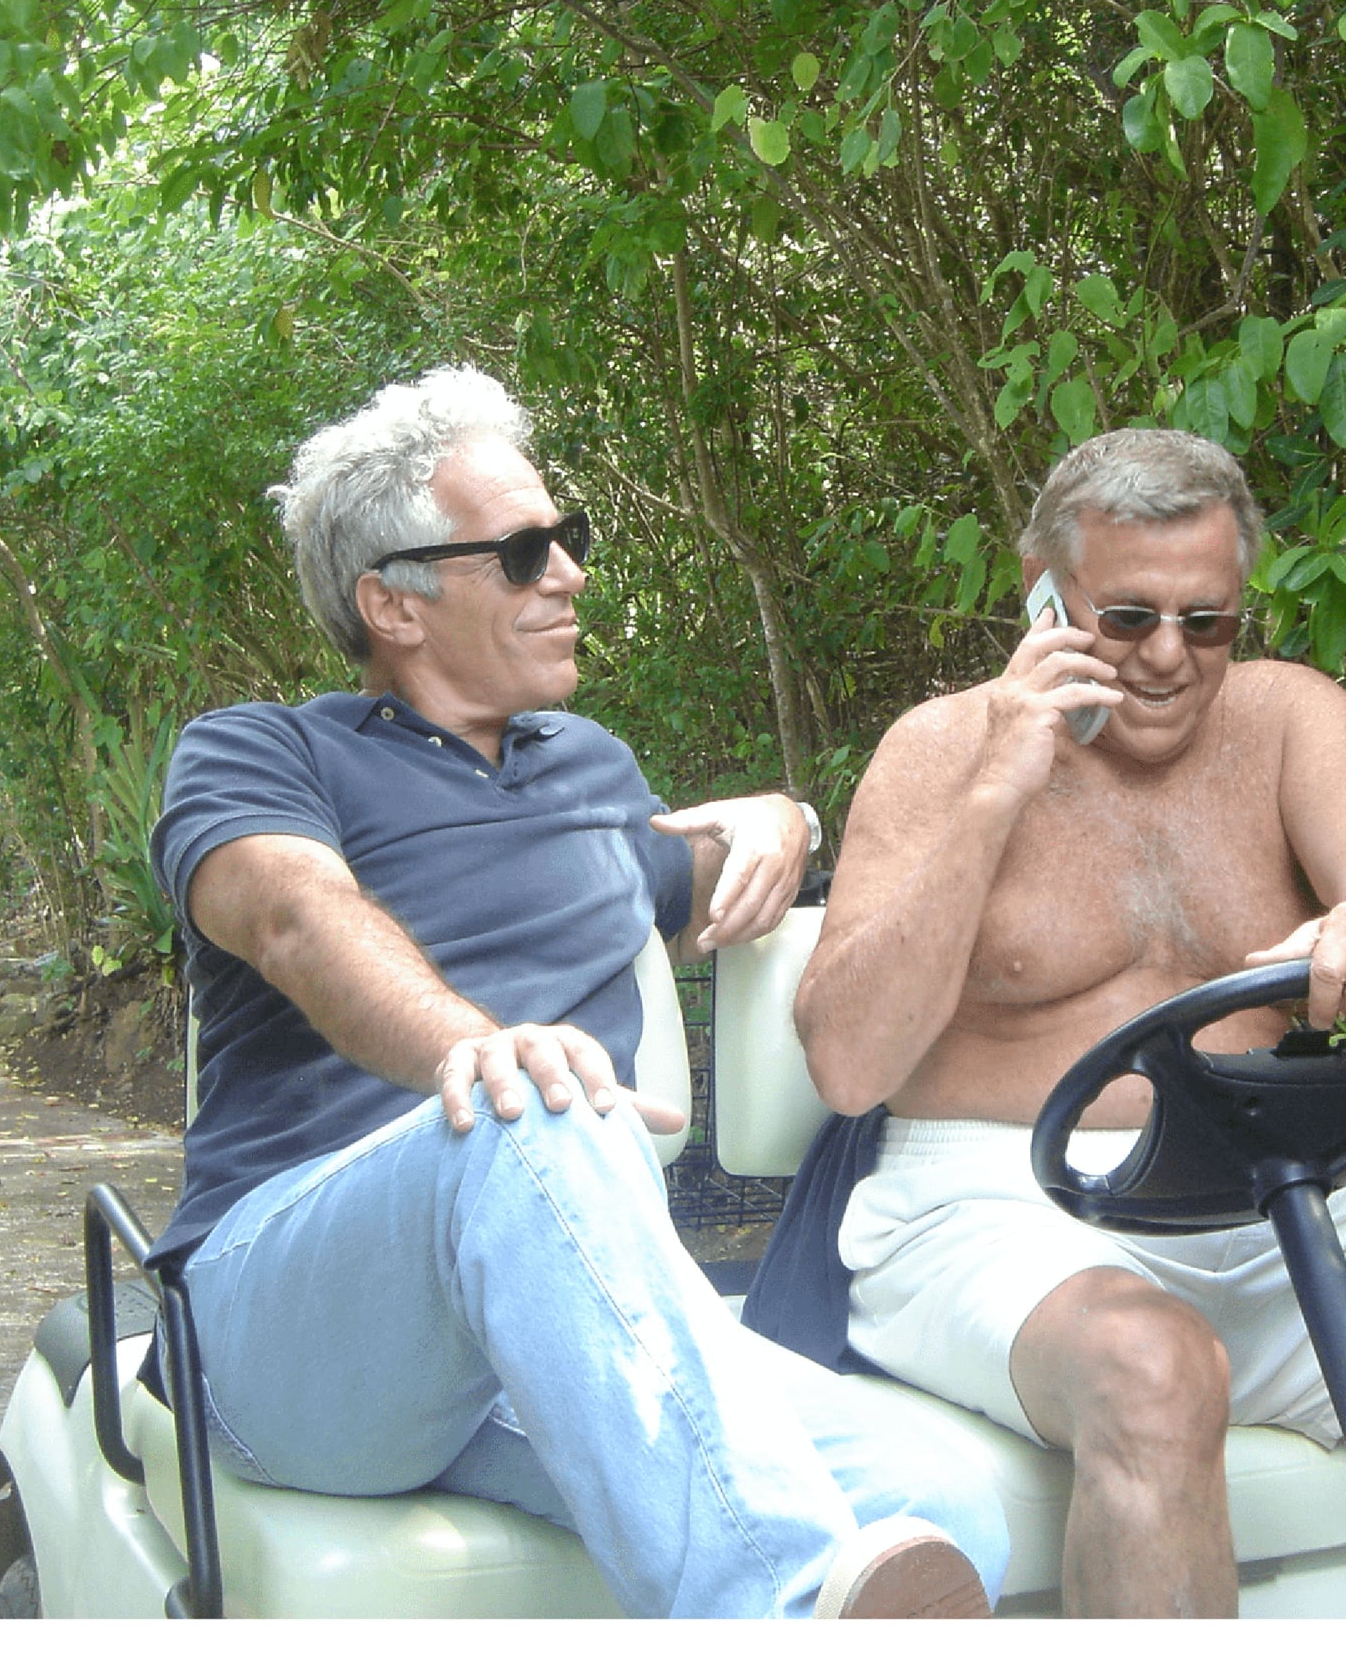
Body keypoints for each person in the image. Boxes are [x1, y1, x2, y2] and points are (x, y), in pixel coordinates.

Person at [771, 427, 1346, 1617]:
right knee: (1153, 1364)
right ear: (1043, 592)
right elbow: (848, 1062)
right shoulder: (937, 747)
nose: (1168, 657)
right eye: (1127, 619)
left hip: (1275, 1201)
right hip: (999, 1212)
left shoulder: (1283, 719)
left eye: (1205, 622)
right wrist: (1001, 781)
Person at [139, 366, 1006, 1619]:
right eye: (526, 549)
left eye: (571, 538)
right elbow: (293, 917)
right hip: (291, 1311)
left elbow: (694, 865)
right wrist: (478, 1052)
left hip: (552, 1314)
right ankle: (774, 1608)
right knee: (524, 1109)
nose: (572, 573)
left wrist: (786, 811)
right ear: (394, 601)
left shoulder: (590, 770)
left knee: (948, 1505)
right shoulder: (262, 749)